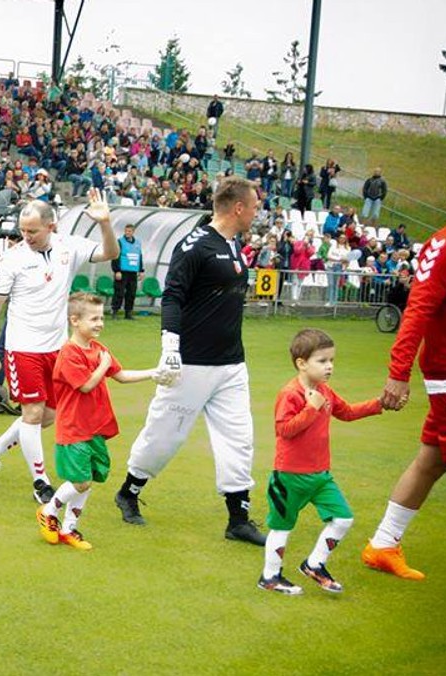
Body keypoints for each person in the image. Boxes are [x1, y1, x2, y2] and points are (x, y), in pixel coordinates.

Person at [114, 177, 266, 545]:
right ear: (238, 208)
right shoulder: (194, 244)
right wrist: (170, 346)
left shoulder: (235, 244)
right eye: (255, 206)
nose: (258, 211)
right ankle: (129, 492)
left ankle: (238, 519)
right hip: (192, 363)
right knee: (166, 434)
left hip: (231, 363)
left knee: (239, 439)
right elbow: (173, 296)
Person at [0, 193, 119, 504]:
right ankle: (41, 481)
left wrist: (105, 222)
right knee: (32, 413)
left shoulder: (70, 247)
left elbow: (110, 252)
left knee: (48, 416)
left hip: (57, 349)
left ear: (51, 226)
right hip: (22, 347)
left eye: (32, 231)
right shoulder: (13, 258)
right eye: (22, 231)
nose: (25, 237)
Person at [258, 329, 383, 595]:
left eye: (331, 361)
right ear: (301, 363)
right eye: (322, 361)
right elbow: (285, 430)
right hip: (289, 476)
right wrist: (311, 407)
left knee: (343, 518)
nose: (329, 367)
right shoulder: (290, 393)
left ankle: (314, 564)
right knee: (281, 527)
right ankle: (270, 577)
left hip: (320, 476)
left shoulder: (325, 391)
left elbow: (346, 412)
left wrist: (379, 404)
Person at [361, 215, 446, 581]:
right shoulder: (444, 244)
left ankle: (383, 544)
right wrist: (399, 373)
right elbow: (417, 311)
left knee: (432, 460)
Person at [37, 293, 160, 550]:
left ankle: (70, 528)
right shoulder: (69, 353)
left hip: (95, 429)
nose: (100, 323)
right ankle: (49, 511)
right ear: (75, 320)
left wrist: (154, 373)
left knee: (89, 479)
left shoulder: (99, 350)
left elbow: (122, 375)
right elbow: (86, 385)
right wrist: (103, 366)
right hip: (74, 429)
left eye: (101, 317)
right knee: (80, 481)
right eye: (94, 318)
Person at [111, 223, 143, 319]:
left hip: (133, 272)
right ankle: (115, 312)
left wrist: (141, 270)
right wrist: (117, 270)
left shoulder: (138, 243)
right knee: (119, 292)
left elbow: (140, 257)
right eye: (126, 231)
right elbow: (115, 256)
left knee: (131, 293)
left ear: (133, 232)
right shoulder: (120, 242)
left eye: (129, 231)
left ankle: (128, 313)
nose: (127, 233)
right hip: (122, 272)